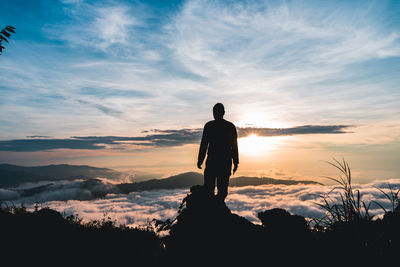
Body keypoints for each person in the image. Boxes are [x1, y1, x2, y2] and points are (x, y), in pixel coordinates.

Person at [197, 103, 239, 201]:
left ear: (223, 113)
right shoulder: (230, 126)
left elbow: (204, 145)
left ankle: (215, 210)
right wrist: (235, 162)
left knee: (213, 189)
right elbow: (234, 146)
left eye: (216, 112)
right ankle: (217, 209)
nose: (215, 114)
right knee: (219, 191)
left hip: (214, 160)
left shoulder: (210, 126)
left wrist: (200, 160)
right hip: (223, 161)